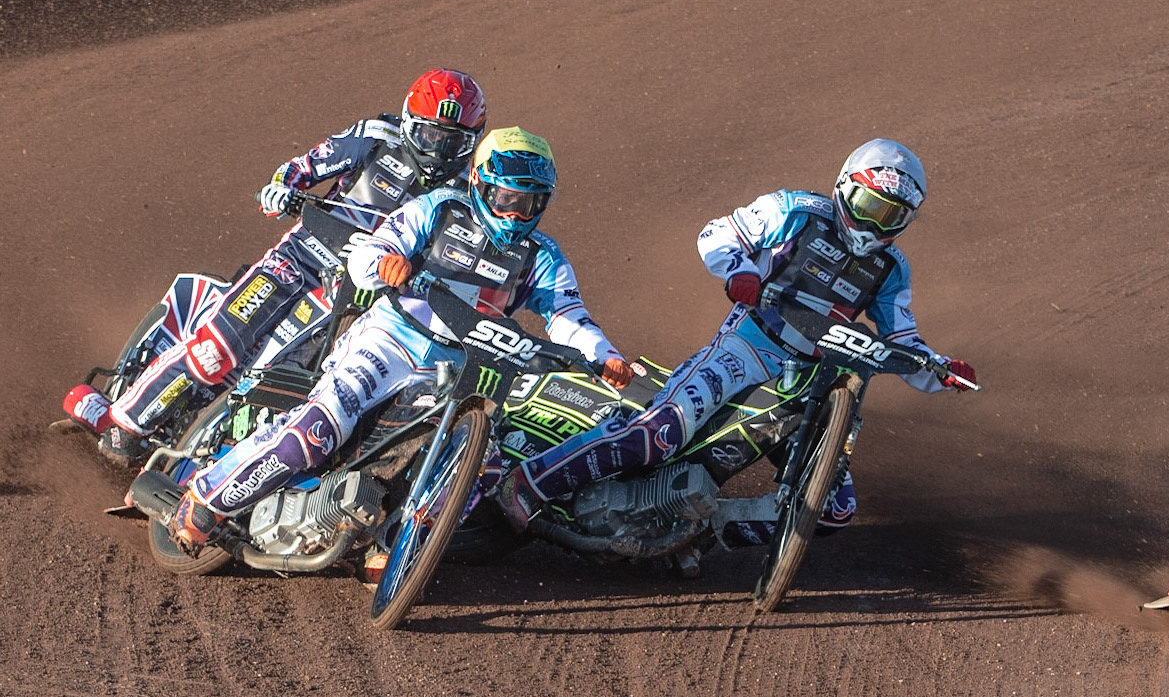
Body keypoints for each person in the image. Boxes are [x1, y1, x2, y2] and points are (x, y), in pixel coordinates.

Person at [165, 127, 633, 551]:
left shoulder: (541, 256)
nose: (514, 214)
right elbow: (366, 256)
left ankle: (390, 548)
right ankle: (206, 501)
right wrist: (386, 263)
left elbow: (569, 317)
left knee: (479, 469)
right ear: (480, 184)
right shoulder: (439, 208)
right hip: (391, 337)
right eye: (506, 198)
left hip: (463, 365)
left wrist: (604, 357)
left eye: (528, 203)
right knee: (319, 430)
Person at [494, 138, 976, 537]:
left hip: (812, 383)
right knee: (661, 434)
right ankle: (531, 483)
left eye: (891, 217)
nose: (875, 224)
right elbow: (716, 235)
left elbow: (904, 340)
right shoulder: (795, 212)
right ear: (846, 190)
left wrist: (941, 371)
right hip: (746, 347)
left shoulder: (891, 269)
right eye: (870, 206)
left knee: (835, 509)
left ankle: (701, 534)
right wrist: (740, 272)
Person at [64, 68, 489, 464]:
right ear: (408, 122)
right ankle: (125, 423)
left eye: (452, 142)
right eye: (430, 134)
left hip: (361, 294)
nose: (438, 149)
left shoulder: (470, 197)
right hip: (301, 257)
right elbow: (300, 169)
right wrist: (281, 190)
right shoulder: (374, 137)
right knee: (220, 348)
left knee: (286, 377)